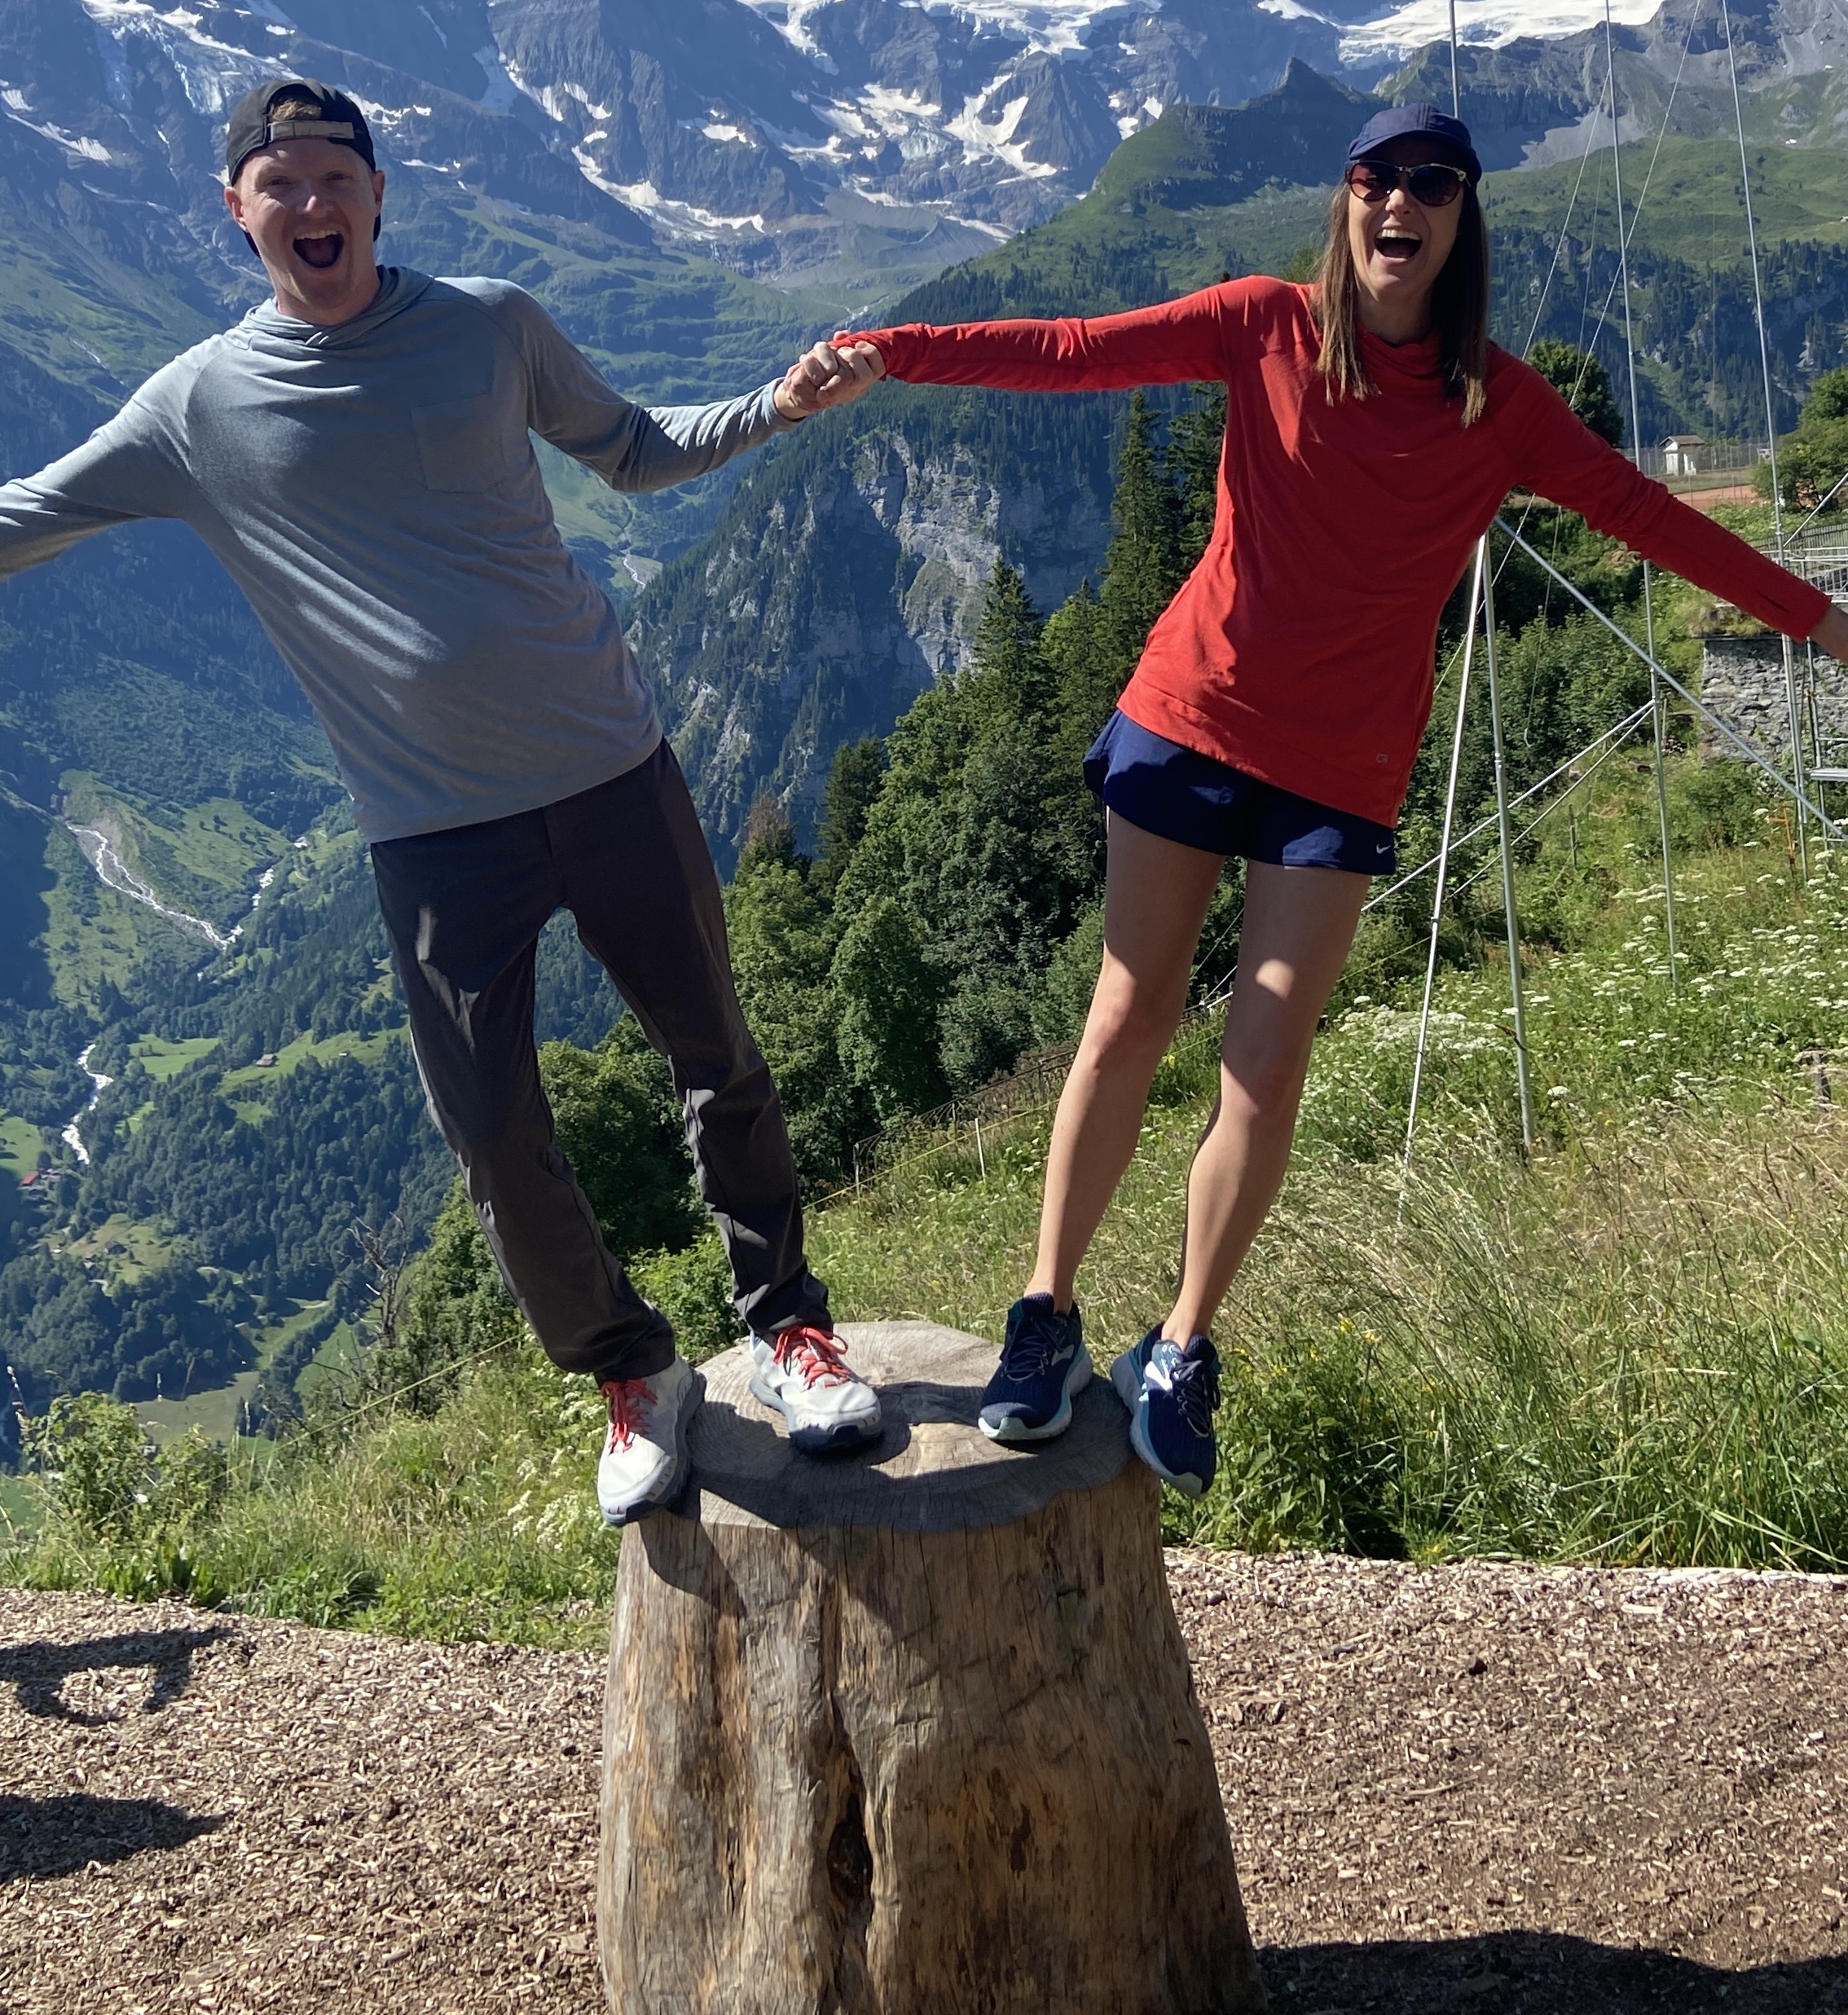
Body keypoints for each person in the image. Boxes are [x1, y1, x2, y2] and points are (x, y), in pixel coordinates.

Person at [836, 102, 1848, 1496]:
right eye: (1377, 179)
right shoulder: (1262, 326)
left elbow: (1648, 517)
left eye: (1431, 186)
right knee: (1127, 1016)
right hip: (1187, 718)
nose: (1400, 204)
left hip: (1337, 770)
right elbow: (1079, 353)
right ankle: (1045, 1316)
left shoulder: (1503, 407)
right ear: (1346, 203)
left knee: (1269, 1052)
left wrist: (1815, 618)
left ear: (1459, 221)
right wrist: (891, 353)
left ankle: (1183, 1343)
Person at [0, 76, 885, 1522]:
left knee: (717, 1055)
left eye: (335, 174)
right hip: (426, 830)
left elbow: (635, 452)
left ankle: (787, 1324)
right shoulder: (194, 407)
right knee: (489, 1130)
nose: (311, 203)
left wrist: (780, 403)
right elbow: (24, 517)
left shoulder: (492, 325)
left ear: (378, 194)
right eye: (278, 182)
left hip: (609, 763)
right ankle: (633, 1373)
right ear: (237, 212)